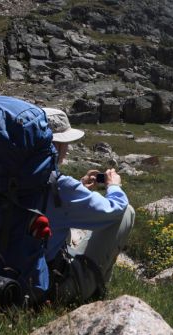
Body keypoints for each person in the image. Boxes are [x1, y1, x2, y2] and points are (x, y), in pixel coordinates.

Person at [43, 107, 135, 303]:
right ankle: (95, 291)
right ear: (57, 146)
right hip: (45, 290)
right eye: (65, 144)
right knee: (126, 212)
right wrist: (114, 187)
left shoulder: (0, 176)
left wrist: (80, 185)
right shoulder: (60, 186)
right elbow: (115, 209)